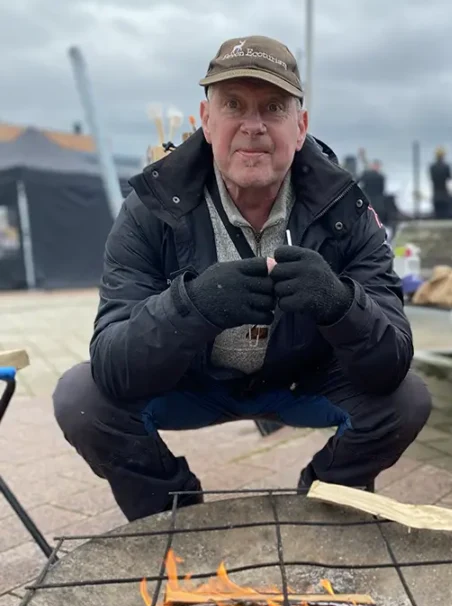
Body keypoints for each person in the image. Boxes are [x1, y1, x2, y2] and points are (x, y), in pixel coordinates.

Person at [52, 35, 431, 522]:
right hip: (190, 381)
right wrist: (193, 307)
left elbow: (392, 359)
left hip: (301, 381)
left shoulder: (345, 208)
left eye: (273, 107)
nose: (253, 126)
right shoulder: (149, 206)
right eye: (233, 104)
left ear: (301, 126)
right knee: (82, 398)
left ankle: (327, 505)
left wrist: (339, 305)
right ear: (206, 121)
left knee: (407, 400)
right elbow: (112, 363)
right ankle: (174, 514)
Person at [429, 147, 452, 219]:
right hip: (445, 194)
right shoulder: (446, 167)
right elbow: (450, 177)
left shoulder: (432, 167)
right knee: (445, 217)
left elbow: (431, 178)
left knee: (437, 216)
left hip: (436, 195)